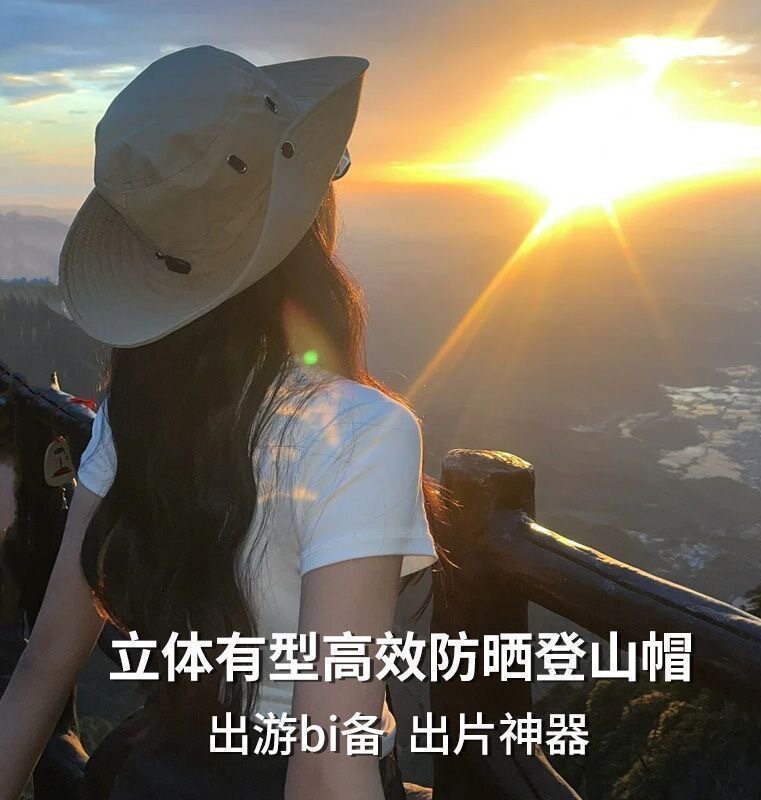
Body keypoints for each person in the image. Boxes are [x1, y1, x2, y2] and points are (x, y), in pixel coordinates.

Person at [0, 45, 446, 800]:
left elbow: (45, 661)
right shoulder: (363, 433)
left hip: (152, 769)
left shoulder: (134, 405)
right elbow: (327, 762)